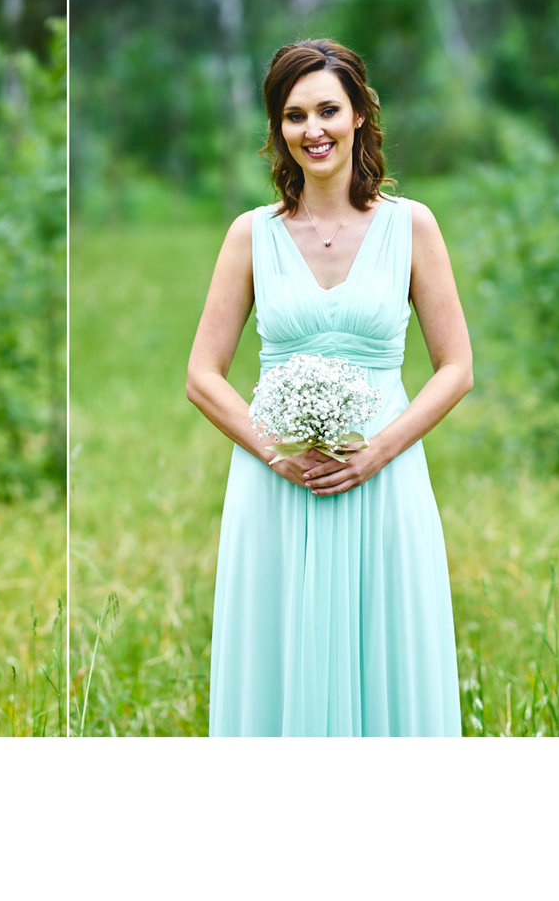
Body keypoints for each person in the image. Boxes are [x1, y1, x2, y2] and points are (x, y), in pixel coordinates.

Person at [187, 39, 467, 736]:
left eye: (328, 110)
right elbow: (202, 374)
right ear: (277, 131)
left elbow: (456, 365)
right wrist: (272, 451)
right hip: (276, 485)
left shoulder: (412, 226)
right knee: (282, 658)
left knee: (387, 650)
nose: (313, 129)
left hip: (386, 480)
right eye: (294, 114)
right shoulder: (251, 235)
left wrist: (378, 450)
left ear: (360, 117)